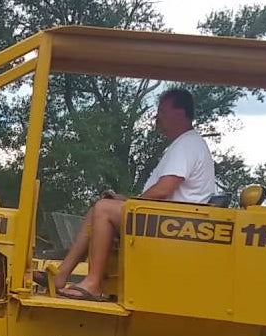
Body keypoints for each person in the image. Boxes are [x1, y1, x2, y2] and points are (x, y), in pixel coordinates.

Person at [48, 87, 216, 301]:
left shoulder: (188, 144)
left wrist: (132, 204)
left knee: (104, 209)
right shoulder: (186, 144)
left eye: (162, 111)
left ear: (180, 113)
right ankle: (61, 276)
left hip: (176, 225)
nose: (157, 117)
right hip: (168, 219)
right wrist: (126, 201)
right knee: (98, 208)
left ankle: (93, 283)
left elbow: (165, 189)